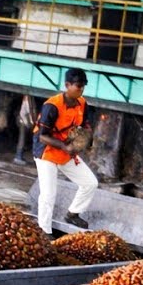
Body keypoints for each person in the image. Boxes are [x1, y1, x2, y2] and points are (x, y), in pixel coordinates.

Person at [33, 68, 97, 233]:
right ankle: (44, 231)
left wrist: (87, 135)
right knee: (48, 194)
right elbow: (42, 136)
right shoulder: (52, 106)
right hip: (46, 151)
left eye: (83, 86)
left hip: (65, 150)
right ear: (67, 85)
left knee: (90, 183)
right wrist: (65, 146)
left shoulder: (82, 103)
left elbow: (85, 124)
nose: (81, 90)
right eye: (78, 86)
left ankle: (73, 214)